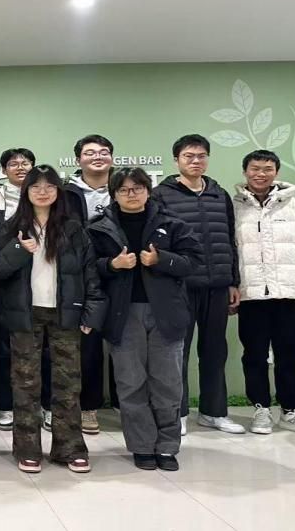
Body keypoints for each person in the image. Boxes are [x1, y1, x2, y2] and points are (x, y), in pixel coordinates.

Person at [0, 165, 105, 474]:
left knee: (68, 384)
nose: (42, 191)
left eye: (49, 186)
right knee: (25, 384)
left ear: (57, 192)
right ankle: (27, 450)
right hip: (24, 314)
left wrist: (91, 312)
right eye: (35, 186)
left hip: (66, 312)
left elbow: (90, 274)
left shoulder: (73, 229)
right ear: (26, 191)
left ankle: (70, 449)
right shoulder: (11, 228)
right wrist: (18, 249)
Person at [87, 168, 201, 472]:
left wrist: (161, 260)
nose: (131, 194)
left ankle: (167, 447)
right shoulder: (98, 228)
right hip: (122, 315)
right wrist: (112, 264)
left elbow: (194, 262)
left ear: (148, 191)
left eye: (137, 188)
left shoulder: (172, 224)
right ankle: (141, 446)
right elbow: (87, 269)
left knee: (168, 384)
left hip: (166, 314)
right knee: (130, 384)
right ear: (114, 194)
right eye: (124, 190)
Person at [152, 134, 244, 436]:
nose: (195, 161)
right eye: (189, 156)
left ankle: (213, 412)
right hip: (179, 285)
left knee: (215, 351)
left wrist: (233, 281)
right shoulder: (161, 195)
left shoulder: (219, 194)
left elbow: (230, 240)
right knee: (176, 352)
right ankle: (176, 413)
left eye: (201, 156)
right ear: (176, 160)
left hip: (217, 285)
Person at [233, 150, 295, 437]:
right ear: (245, 171)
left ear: (276, 172)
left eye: (267, 168)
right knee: (254, 355)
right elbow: (227, 251)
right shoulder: (234, 207)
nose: (260, 174)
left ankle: (291, 410)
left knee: (290, 354)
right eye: (255, 168)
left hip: (290, 293)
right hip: (251, 294)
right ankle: (260, 408)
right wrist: (231, 287)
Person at [63, 134, 119, 434]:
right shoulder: (66, 193)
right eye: (90, 153)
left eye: (104, 152)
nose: (97, 157)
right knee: (88, 346)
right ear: (78, 160)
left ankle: (126, 405)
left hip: (121, 272)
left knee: (125, 343)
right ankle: (88, 407)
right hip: (82, 276)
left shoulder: (124, 187)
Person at [0, 148, 34, 430]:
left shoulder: (45, 193)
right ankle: (6, 405)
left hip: (42, 278)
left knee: (45, 349)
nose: (20, 167)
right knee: (5, 347)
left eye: (25, 163)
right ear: (3, 170)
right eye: (13, 164)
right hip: (6, 278)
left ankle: (45, 405)